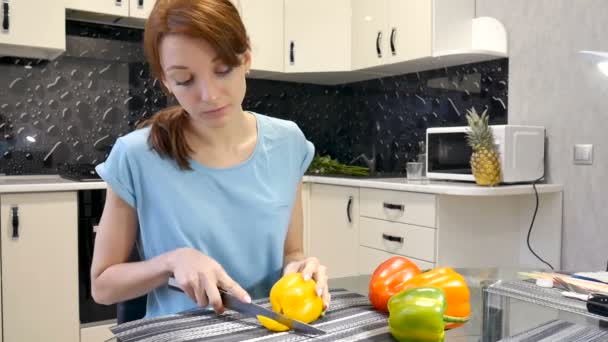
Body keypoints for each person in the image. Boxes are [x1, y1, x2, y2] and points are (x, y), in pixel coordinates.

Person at [90, 0, 330, 319]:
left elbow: (291, 252)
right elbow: (103, 286)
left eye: (222, 70)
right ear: (165, 81)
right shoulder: (135, 155)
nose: (210, 95)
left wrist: (301, 269)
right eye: (185, 80)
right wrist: (170, 262)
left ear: (246, 57)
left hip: (269, 330)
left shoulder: (288, 143)